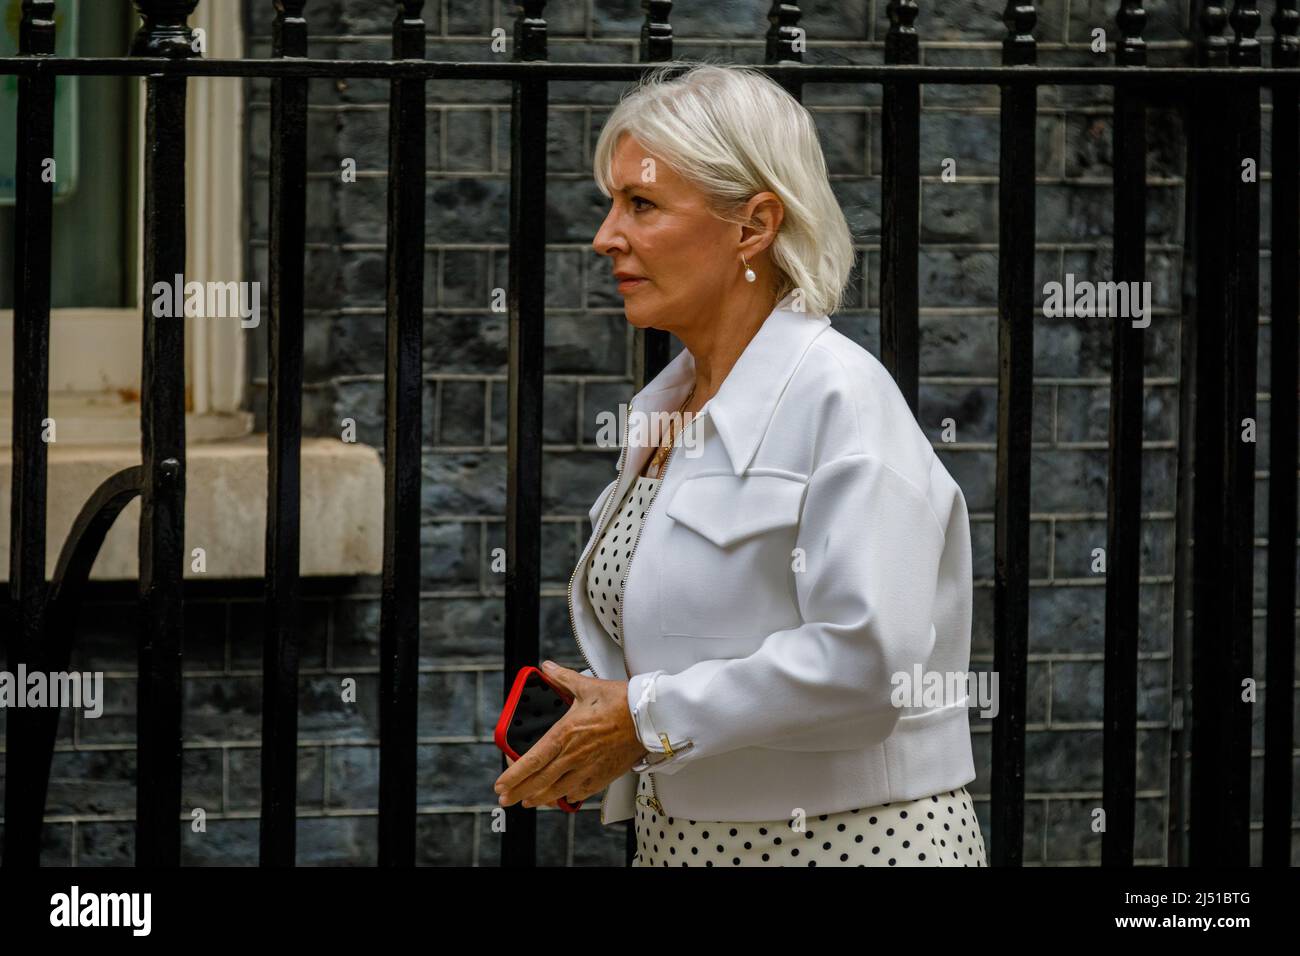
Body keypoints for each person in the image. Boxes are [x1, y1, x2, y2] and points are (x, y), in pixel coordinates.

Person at [494, 62, 985, 867]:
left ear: (754, 225)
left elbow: (870, 662)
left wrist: (643, 717)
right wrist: (604, 724)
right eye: (613, 202)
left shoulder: (841, 397)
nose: (605, 235)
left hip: (849, 847)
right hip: (683, 843)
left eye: (641, 203)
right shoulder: (665, 406)